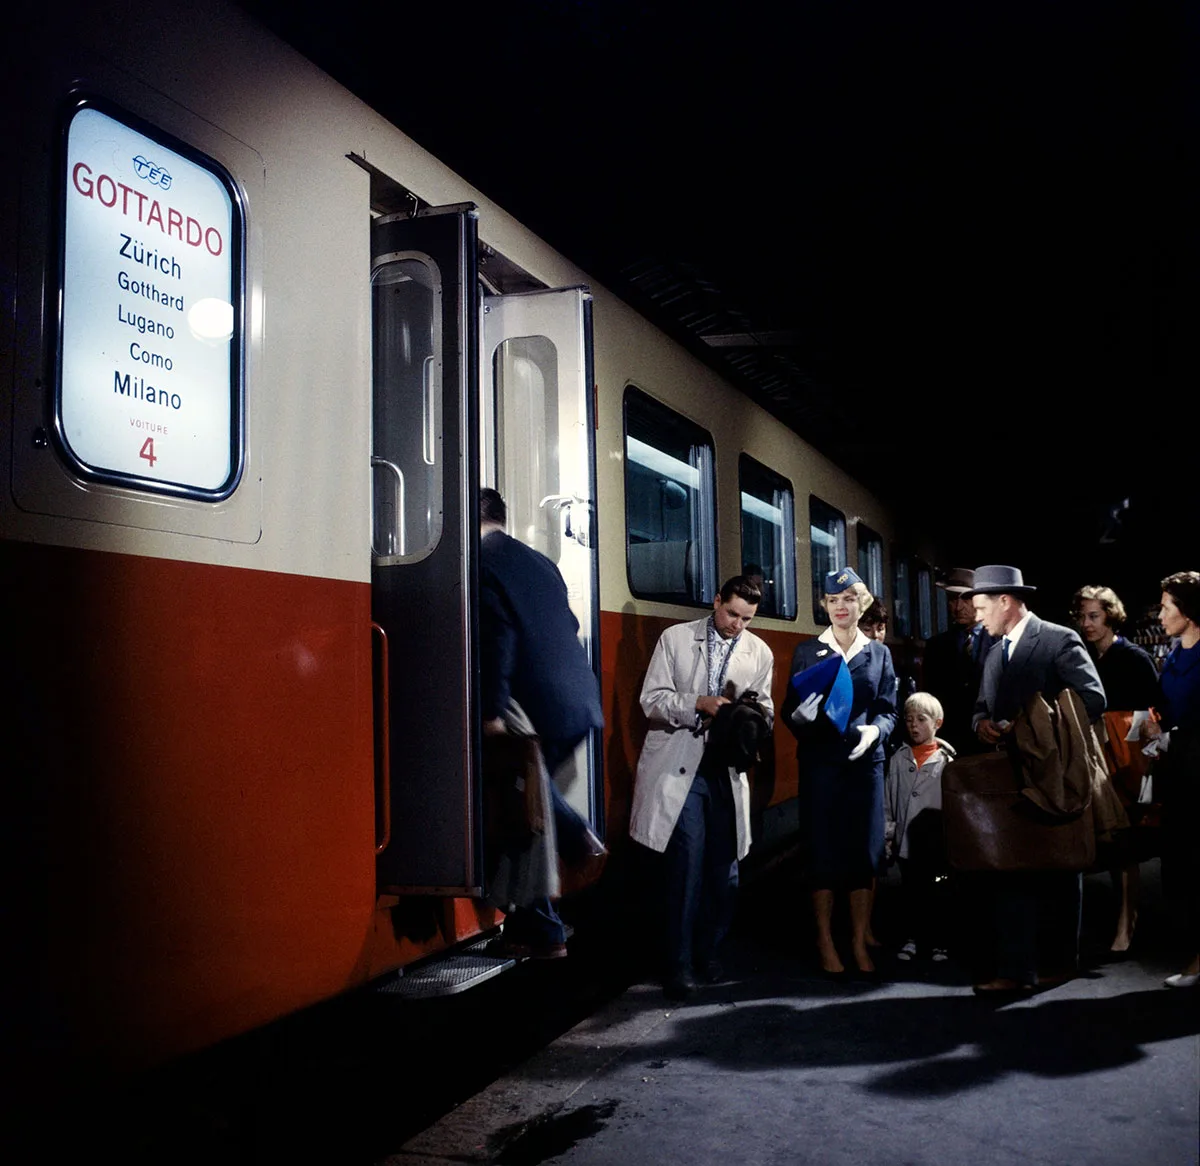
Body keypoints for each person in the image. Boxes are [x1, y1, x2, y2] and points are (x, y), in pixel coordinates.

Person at [629, 576, 775, 1000]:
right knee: (685, 867)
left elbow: (763, 708)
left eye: (747, 619)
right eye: (732, 614)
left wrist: (746, 716)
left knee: (724, 870)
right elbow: (651, 699)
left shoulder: (759, 652)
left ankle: (709, 953)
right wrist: (698, 703)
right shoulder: (676, 639)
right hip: (682, 768)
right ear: (716, 602)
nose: (737, 626)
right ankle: (678, 965)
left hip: (726, 772)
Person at [478, 487, 605, 959]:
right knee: (530, 806)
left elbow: (499, 637)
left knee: (524, 809)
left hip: (537, 709)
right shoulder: (538, 561)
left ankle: (544, 928)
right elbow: (568, 625)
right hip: (576, 699)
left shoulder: (483, 563)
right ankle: (578, 844)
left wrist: (491, 712)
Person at [969, 564, 1106, 993]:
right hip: (1008, 779)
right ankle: (1015, 969)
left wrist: (1031, 722)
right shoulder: (993, 652)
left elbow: (1092, 698)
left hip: (1054, 776)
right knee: (1010, 869)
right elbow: (980, 706)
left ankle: (1059, 963)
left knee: (1058, 868)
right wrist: (980, 725)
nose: (976, 616)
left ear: (1005, 602)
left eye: (981, 607)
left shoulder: (1058, 639)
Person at [783, 567, 897, 977]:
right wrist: (799, 715)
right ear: (825, 607)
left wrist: (876, 732)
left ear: (860, 604)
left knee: (864, 856)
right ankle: (826, 940)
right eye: (833, 601)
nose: (841, 608)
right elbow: (788, 712)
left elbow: (888, 710)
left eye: (849, 600)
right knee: (823, 853)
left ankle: (857, 939)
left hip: (865, 766)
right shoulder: (807, 652)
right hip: (821, 765)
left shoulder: (879, 654)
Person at [1071, 584, 1161, 954]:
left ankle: (1128, 921)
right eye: (1082, 616)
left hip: (1132, 754)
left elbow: (1152, 714)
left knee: (1130, 838)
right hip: (1098, 752)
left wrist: (1142, 767)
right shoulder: (1086, 658)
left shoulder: (1135, 658)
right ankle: (1116, 918)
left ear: (1110, 615)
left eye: (1094, 616)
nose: (1087, 623)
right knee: (1109, 838)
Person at [1145, 571, 1200, 989]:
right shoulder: (1174, 653)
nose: (1160, 613)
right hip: (1178, 773)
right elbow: (1166, 706)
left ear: (1189, 609)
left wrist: (1170, 733)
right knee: (1179, 869)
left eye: (1166, 605)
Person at [885, 692, 954, 964]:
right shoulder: (898, 760)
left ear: (938, 723)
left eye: (921, 719)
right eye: (909, 719)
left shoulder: (947, 762)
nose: (913, 725)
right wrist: (888, 837)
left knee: (939, 892)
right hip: (906, 843)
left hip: (936, 843)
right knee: (911, 893)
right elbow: (888, 802)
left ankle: (940, 942)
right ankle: (912, 938)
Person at [922, 567, 996, 755]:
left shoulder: (1002, 642)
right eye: (953, 600)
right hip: (948, 745)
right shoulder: (935, 646)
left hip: (991, 743)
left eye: (966, 599)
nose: (958, 607)